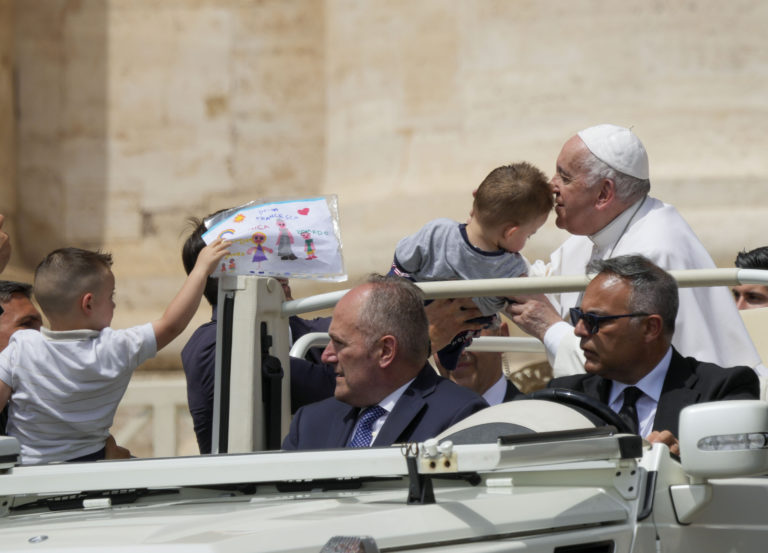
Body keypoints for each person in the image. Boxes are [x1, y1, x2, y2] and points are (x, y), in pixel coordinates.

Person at [506, 124, 763, 378]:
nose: (551, 186)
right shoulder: (595, 232)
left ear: (604, 193)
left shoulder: (655, 250)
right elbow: (536, 288)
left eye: (565, 177)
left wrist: (550, 328)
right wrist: (487, 235)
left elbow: (624, 367)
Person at [0, 240, 230, 464]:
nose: (114, 305)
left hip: (27, 476)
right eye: (111, 296)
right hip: (91, 471)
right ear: (88, 304)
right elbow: (171, 324)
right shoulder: (115, 347)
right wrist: (200, 270)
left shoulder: (20, 347)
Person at [548, 255, 759, 456]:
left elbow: (737, 477)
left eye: (595, 320)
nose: (579, 330)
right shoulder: (563, 397)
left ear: (650, 328)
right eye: (578, 316)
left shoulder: (721, 391)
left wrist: (683, 462)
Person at [180, 215, 337, 454]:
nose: (281, 265)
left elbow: (361, 324)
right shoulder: (210, 343)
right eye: (259, 252)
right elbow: (321, 385)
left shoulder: (296, 326)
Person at [282, 275, 489, 450]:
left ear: (386, 351)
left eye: (339, 343)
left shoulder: (460, 416)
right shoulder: (309, 424)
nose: (327, 356)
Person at [390, 161, 552, 371]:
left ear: (475, 196)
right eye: (528, 235)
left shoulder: (437, 230)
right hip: (466, 324)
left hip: (413, 305)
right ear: (510, 232)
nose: (525, 242)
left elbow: (403, 257)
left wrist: (396, 288)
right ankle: (454, 345)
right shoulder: (511, 268)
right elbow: (530, 300)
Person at [434, 315, 521, 405]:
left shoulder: (532, 415)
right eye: (444, 337)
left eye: (469, 334)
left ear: (502, 336)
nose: (458, 353)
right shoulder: (427, 417)